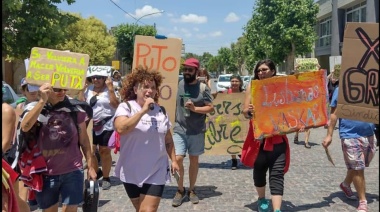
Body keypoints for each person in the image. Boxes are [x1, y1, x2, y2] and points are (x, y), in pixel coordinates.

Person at [19, 84, 97, 212]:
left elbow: (84, 140)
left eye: (64, 89)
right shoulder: (35, 108)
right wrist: (42, 101)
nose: (62, 92)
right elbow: (25, 126)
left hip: (73, 170)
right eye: (56, 90)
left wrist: (90, 165)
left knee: (70, 209)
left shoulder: (74, 108)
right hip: (45, 173)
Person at [113, 66, 180, 211]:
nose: (149, 90)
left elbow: (167, 140)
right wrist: (143, 111)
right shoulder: (126, 107)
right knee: (140, 209)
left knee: (147, 210)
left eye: (153, 87)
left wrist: (174, 160)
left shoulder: (161, 111)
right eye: (145, 87)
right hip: (131, 169)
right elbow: (121, 128)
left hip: (156, 169)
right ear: (136, 89)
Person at [242, 59, 290, 212]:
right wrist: (249, 110)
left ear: (273, 71)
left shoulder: (282, 85)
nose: (260, 73)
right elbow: (244, 112)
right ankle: (262, 199)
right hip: (258, 139)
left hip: (278, 138)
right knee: (259, 171)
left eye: (264, 70)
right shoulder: (252, 87)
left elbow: (292, 108)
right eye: (258, 70)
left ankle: (277, 209)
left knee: (277, 174)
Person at [322, 87, 376, 212]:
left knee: (361, 164)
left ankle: (345, 184)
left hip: (369, 133)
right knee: (358, 168)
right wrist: (329, 134)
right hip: (350, 134)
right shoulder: (341, 89)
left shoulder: (371, 86)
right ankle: (363, 201)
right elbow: (334, 113)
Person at [171, 58, 214, 207]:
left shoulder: (203, 88)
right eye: (185, 69)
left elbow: (210, 107)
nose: (187, 72)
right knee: (178, 159)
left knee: (194, 160)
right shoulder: (178, 84)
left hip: (196, 130)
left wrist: (195, 109)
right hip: (179, 129)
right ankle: (180, 189)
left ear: (196, 71)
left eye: (190, 70)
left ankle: (192, 189)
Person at [79, 73, 120, 190]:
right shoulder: (89, 89)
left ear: (104, 78)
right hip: (90, 124)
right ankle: (97, 171)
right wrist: (82, 90)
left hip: (106, 124)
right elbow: (81, 105)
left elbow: (116, 105)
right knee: (90, 151)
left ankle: (106, 177)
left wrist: (111, 89)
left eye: (99, 77)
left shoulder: (110, 89)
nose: (96, 79)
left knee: (104, 151)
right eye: (94, 77)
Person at [227, 74, 244, 169]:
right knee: (231, 140)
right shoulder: (226, 93)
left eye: (236, 81)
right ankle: (234, 160)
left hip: (242, 120)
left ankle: (241, 154)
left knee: (242, 139)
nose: (234, 83)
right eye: (232, 81)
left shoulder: (245, 94)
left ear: (240, 83)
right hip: (230, 120)